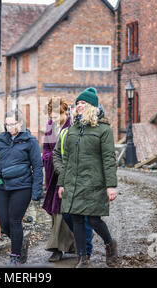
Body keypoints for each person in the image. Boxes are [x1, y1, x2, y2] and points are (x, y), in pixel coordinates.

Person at [57, 87, 118, 268]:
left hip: (94, 183)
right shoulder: (72, 129)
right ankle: (82, 259)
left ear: (92, 106)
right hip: (74, 182)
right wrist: (62, 183)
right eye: (77, 103)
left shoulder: (103, 130)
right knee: (76, 219)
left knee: (93, 219)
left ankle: (109, 243)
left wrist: (111, 186)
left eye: (83, 102)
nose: (79, 106)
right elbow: (66, 158)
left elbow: (109, 159)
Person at [0, 109, 43, 265]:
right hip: (3, 187)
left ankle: (15, 257)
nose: (8, 127)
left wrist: (37, 191)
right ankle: (21, 243)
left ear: (20, 123)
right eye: (6, 124)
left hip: (22, 187)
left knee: (14, 221)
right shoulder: (1, 140)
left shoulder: (30, 141)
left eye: (12, 124)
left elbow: (37, 167)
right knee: (4, 222)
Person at [42, 97, 93, 262]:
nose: (54, 118)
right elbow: (46, 150)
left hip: (69, 175)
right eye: (51, 115)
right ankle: (61, 248)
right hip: (54, 176)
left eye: (57, 115)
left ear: (66, 112)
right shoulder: (50, 127)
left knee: (67, 212)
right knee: (57, 212)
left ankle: (65, 247)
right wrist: (49, 159)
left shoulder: (71, 127)